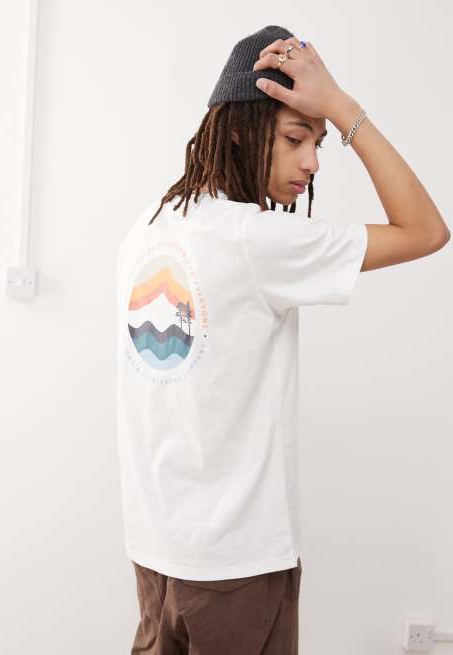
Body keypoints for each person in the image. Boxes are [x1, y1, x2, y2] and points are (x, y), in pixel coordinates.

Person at [115, 25, 450, 655]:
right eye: (297, 138)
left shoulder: (151, 228)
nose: (313, 162)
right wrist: (342, 107)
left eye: (319, 141)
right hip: (236, 565)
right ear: (241, 131)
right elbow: (426, 230)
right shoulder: (254, 239)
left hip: (157, 555)